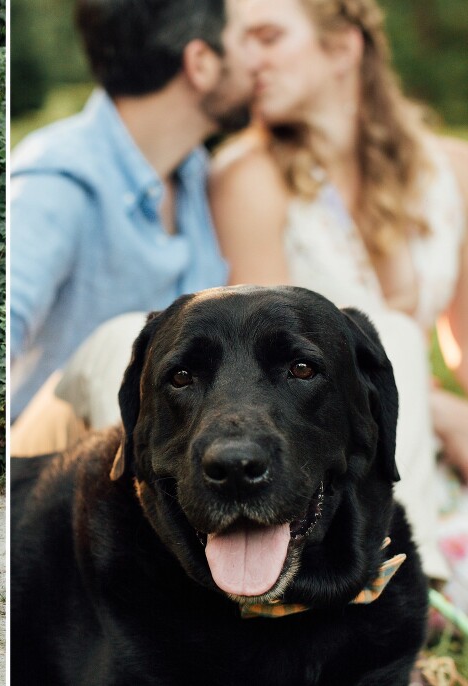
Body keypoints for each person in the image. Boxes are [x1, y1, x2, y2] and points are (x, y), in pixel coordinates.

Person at [205, 0, 468, 587]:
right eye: (239, 41)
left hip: (429, 445)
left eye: (268, 37)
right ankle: (406, 600)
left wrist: (452, 419)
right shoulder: (247, 177)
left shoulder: (454, 170)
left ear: (344, 48)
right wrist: (441, 411)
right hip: (332, 456)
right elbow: (261, 342)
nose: (248, 59)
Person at [9, 0, 254, 453]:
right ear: (200, 63)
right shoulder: (58, 180)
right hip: (42, 465)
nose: (257, 62)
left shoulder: (197, 176)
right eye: (245, 41)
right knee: (132, 343)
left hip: (165, 454)